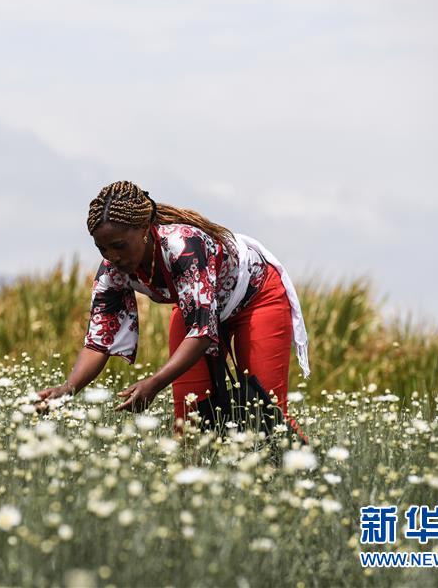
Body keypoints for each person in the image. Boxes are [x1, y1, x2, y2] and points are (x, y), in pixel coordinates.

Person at [36, 181, 310, 442]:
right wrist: (67, 389)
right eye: (102, 249)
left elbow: (202, 333)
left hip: (257, 297)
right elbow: (99, 340)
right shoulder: (112, 271)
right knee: (188, 423)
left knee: (265, 410)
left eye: (119, 246)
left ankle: (303, 467)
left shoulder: (182, 246)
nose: (112, 257)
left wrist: (155, 383)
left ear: (144, 228)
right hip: (198, 310)